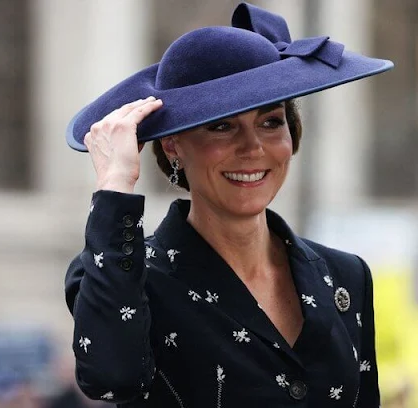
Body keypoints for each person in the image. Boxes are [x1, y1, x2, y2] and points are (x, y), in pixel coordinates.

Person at [64, 3, 394, 407]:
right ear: (173, 146)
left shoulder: (346, 275)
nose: (252, 148)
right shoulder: (123, 272)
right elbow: (111, 378)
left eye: (271, 122)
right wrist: (115, 185)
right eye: (222, 126)